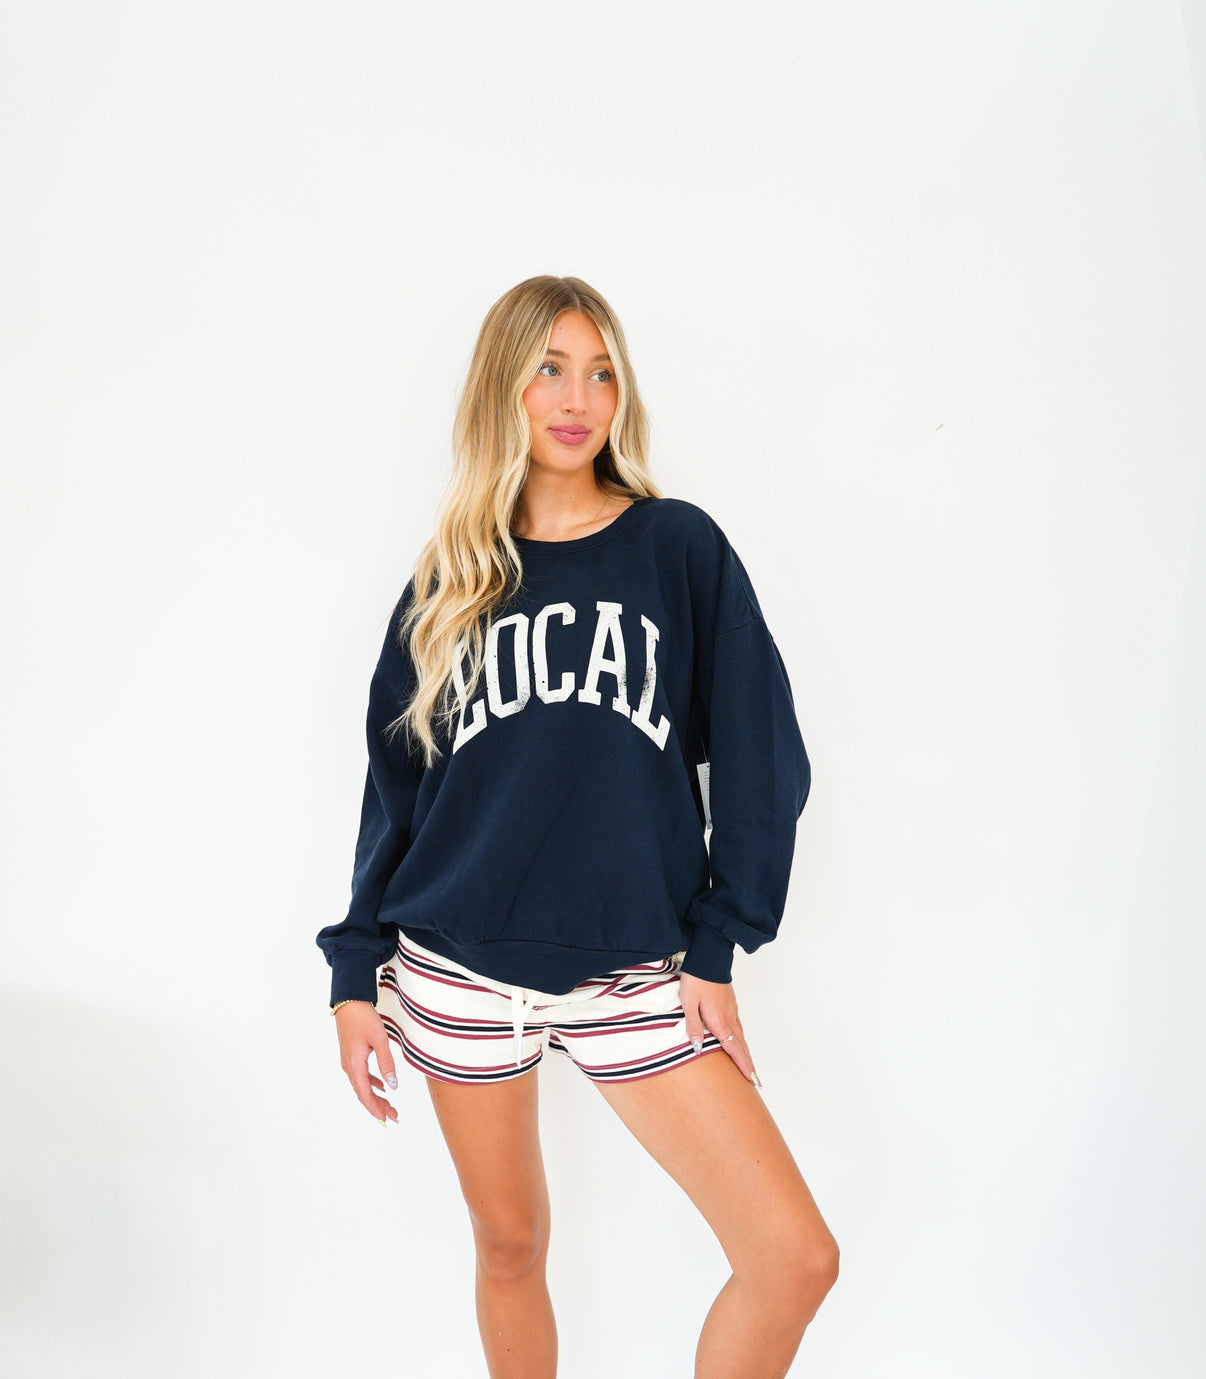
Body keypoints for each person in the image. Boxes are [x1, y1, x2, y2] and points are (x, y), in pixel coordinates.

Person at [315, 275, 839, 1378]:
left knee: (792, 1258)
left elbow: (763, 755)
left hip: (634, 970)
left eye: (601, 373)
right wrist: (356, 969)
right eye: (549, 369)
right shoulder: (452, 577)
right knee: (510, 1245)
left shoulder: (676, 548)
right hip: (457, 964)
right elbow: (396, 790)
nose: (578, 398)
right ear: (501, 387)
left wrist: (720, 941)